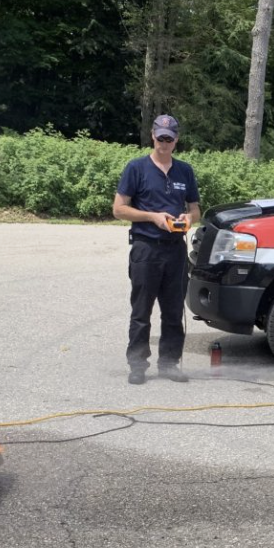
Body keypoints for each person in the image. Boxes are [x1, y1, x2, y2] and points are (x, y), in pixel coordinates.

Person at [112, 114, 200, 385]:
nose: (164, 143)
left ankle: (169, 363)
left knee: (173, 311)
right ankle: (138, 364)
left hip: (174, 249)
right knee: (141, 311)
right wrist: (153, 217)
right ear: (152, 136)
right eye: (160, 137)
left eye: (169, 139)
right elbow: (118, 209)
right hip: (145, 248)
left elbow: (195, 209)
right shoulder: (136, 168)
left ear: (176, 140)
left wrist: (187, 220)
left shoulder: (184, 171)